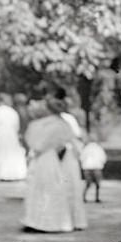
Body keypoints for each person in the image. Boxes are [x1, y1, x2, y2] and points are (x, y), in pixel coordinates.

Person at [21, 97, 85, 233]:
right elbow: (67, 140)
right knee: (49, 189)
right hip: (50, 158)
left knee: (41, 189)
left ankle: (39, 221)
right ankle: (46, 221)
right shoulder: (61, 124)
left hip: (43, 158)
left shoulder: (40, 124)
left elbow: (35, 143)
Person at [0, 92, 27, 182]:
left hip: (0, 135)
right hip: (12, 135)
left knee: (0, 152)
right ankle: (12, 173)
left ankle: (1, 173)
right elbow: (17, 126)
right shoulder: (13, 111)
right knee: (11, 153)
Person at [79, 133, 107, 204]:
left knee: (88, 184)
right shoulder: (98, 148)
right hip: (97, 167)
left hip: (87, 167)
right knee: (97, 184)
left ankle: (83, 197)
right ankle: (96, 198)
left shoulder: (86, 148)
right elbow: (103, 157)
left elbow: (81, 157)